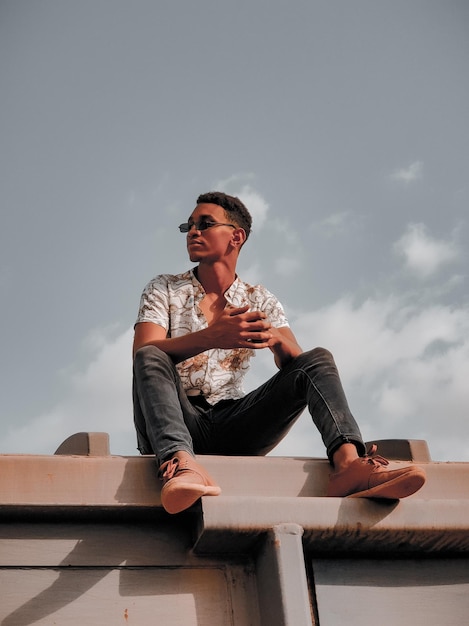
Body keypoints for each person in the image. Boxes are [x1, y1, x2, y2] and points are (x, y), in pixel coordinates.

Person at [132, 191, 426, 514]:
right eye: (188, 226)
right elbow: (143, 352)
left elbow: (300, 368)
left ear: (236, 237)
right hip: (174, 419)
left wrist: (274, 338)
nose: (192, 232)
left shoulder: (260, 299)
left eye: (204, 224)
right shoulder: (164, 288)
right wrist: (213, 336)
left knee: (318, 359)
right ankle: (181, 463)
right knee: (150, 355)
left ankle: (348, 466)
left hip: (234, 424)